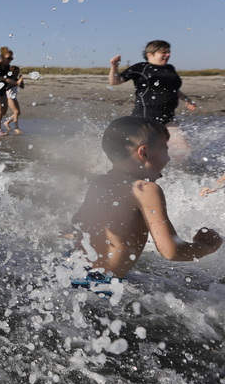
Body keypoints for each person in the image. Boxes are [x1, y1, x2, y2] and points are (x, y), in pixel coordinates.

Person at [71, 116, 221, 281]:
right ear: (144, 153)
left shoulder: (100, 182)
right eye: (165, 149)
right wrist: (207, 247)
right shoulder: (147, 190)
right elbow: (170, 251)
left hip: (72, 270)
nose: (169, 158)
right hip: (98, 283)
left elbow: (77, 223)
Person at [109, 40, 197, 160]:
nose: (168, 55)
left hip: (168, 120)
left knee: (184, 152)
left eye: (169, 52)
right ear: (150, 54)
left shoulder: (170, 68)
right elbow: (115, 81)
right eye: (164, 52)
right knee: (143, 155)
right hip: (145, 122)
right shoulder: (141, 68)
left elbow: (173, 89)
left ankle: (175, 177)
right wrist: (115, 66)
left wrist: (187, 99)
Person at [3, 63, 24, 134]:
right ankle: (16, 128)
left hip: (14, 97)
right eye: (16, 72)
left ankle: (7, 122)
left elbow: (22, 86)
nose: (17, 74)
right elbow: (8, 87)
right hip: (8, 97)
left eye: (18, 72)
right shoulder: (9, 79)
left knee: (18, 112)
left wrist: (21, 80)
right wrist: (17, 82)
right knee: (16, 112)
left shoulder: (15, 79)